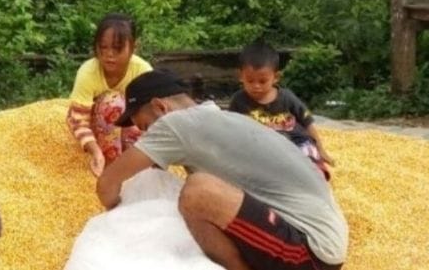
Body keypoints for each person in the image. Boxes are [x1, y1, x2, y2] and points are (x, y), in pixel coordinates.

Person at [98, 70, 348, 270]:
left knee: (197, 191)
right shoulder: (219, 118)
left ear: (160, 107)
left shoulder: (176, 125)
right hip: (322, 241)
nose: (146, 135)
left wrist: (119, 215)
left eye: (145, 126)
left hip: (310, 252)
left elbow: (107, 183)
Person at [227, 43, 334, 179]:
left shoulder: (287, 97)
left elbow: (307, 122)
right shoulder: (239, 100)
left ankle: (316, 176)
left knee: (309, 159)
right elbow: (229, 127)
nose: (256, 86)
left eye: (262, 81)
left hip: (296, 142)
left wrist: (321, 148)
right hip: (261, 146)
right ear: (241, 76)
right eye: (250, 80)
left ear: (276, 77)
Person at [66, 14, 152, 176]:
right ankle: (111, 166)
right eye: (103, 47)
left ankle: (133, 164)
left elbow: (153, 117)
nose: (109, 54)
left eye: (117, 48)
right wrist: (95, 151)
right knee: (113, 101)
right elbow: (77, 119)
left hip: (131, 126)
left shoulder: (142, 71)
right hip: (98, 129)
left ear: (134, 47)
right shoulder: (88, 72)